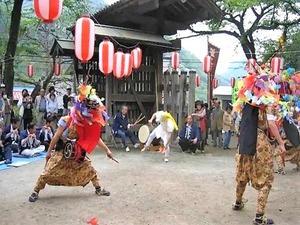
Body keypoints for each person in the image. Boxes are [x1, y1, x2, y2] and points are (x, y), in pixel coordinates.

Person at [28, 84, 113, 202]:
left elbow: (96, 138)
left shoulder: (86, 123)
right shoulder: (66, 120)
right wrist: (48, 152)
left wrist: (107, 150)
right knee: (49, 171)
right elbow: (57, 136)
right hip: (64, 150)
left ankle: (98, 188)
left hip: (78, 152)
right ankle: (35, 191)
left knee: (89, 168)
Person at [233, 73, 286, 225]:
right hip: (260, 143)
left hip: (244, 141)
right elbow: (271, 124)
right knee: (266, 180)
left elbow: (238, 122)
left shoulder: (246, 101)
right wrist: (281, 143)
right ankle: (258, 217)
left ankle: (238, 202)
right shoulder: (268, 101)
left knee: (243, 172)